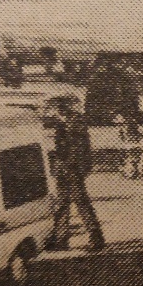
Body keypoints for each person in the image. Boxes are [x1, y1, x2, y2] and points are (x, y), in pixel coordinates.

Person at [47, 97, 105, 251]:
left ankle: (95, 238)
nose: (53, 110)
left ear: (62, 107)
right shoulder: (62, 122)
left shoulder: (74, 122)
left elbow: (78, 149)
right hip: (64, 169)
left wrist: (69, 166)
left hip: (73, 169)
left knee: (81, 203)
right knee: (62, 205)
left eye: (55, 107)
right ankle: (61, 239)